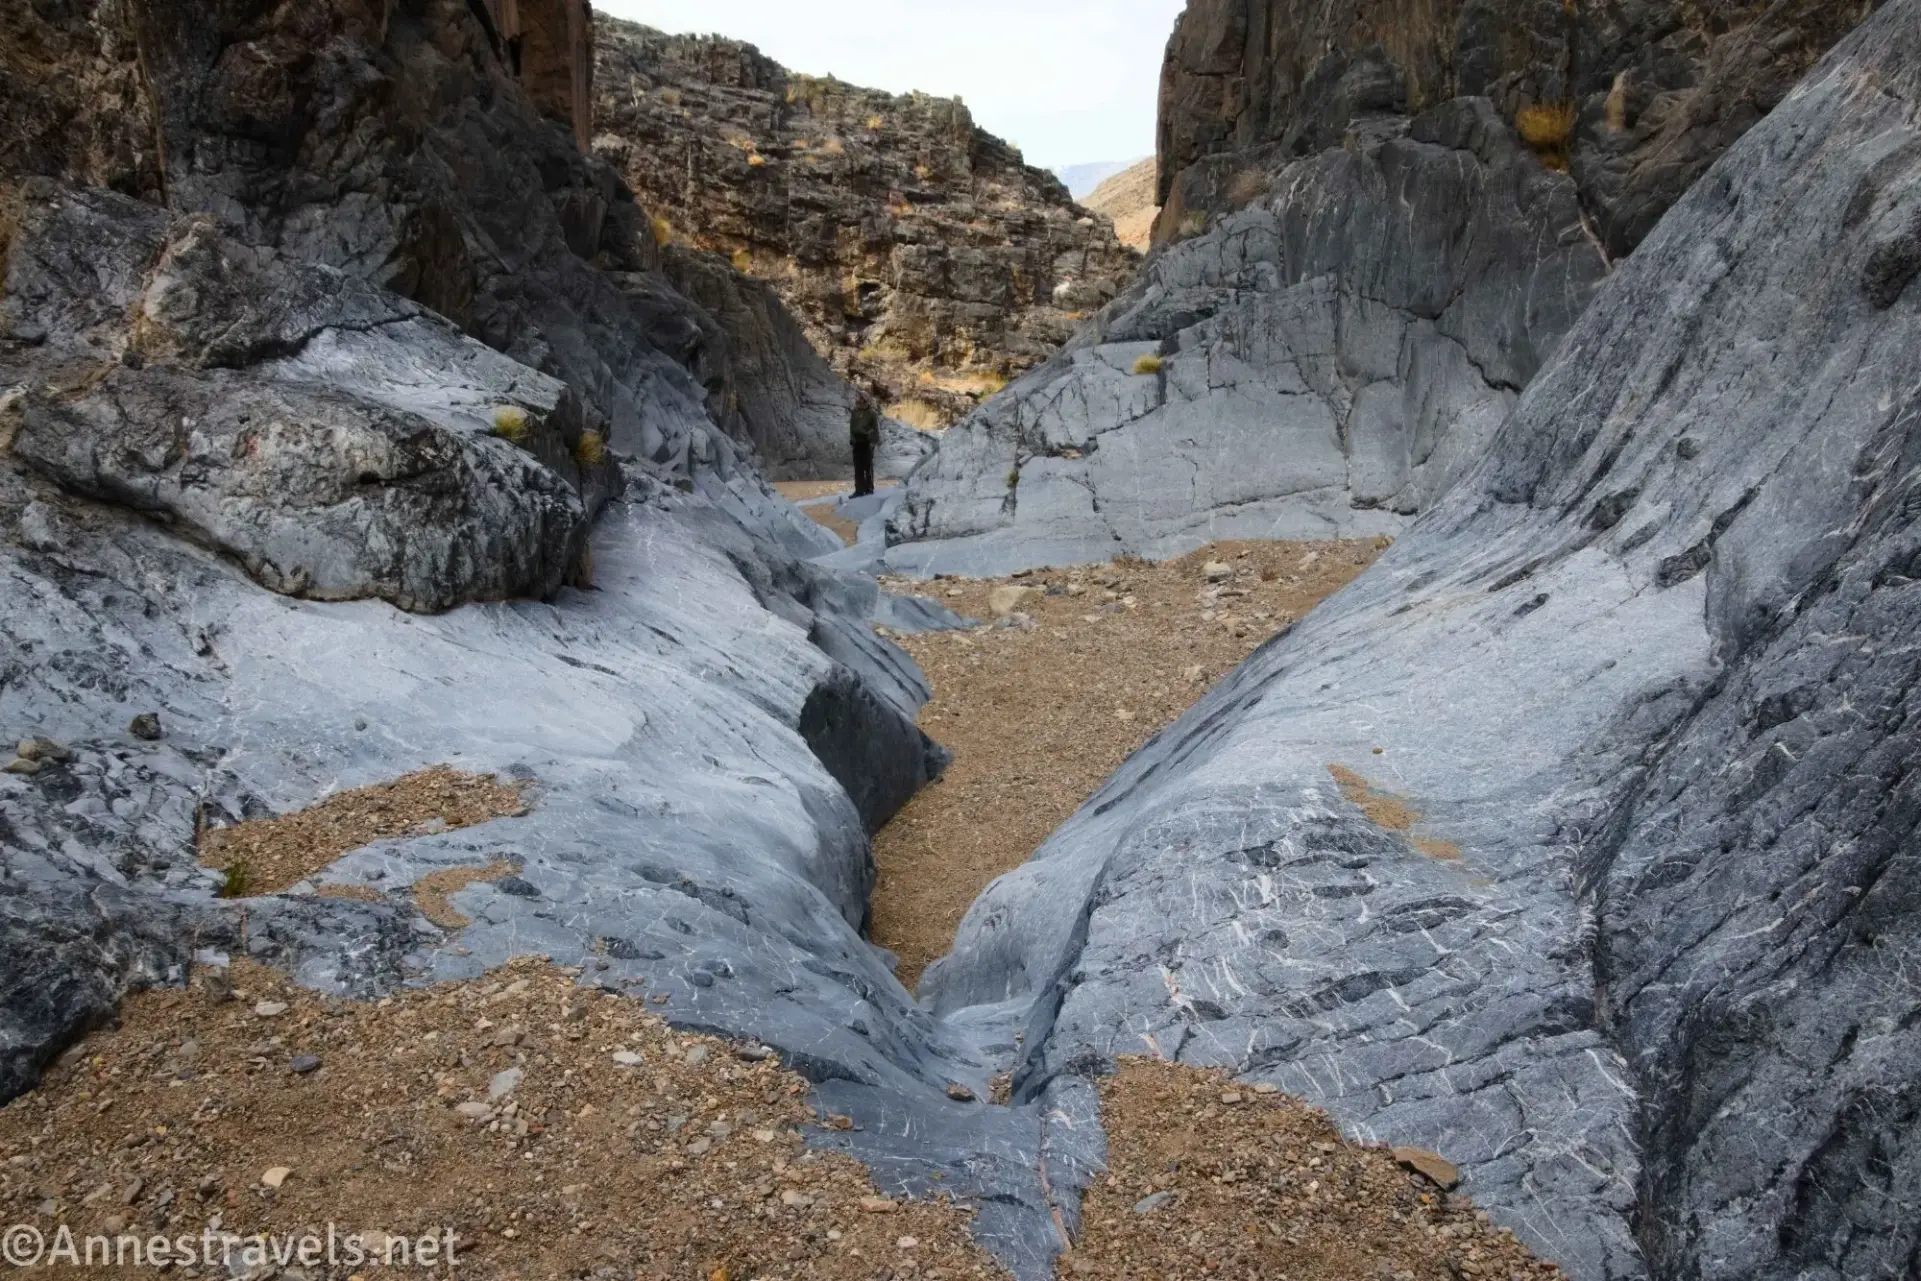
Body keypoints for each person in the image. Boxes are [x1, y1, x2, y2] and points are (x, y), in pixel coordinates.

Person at [849, 389, 880, 497]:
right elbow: (851, 427)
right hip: (857, 442)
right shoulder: (854, 412)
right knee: (858, 468)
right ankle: (859, 490)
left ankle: (869, 488)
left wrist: (873, 442)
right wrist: (851, 438)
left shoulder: (872, 413)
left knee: (867, 466)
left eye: (859, 398)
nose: (857, 400)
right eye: (857, 398)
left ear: (864, 400)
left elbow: (876, 429)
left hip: (867, 442)